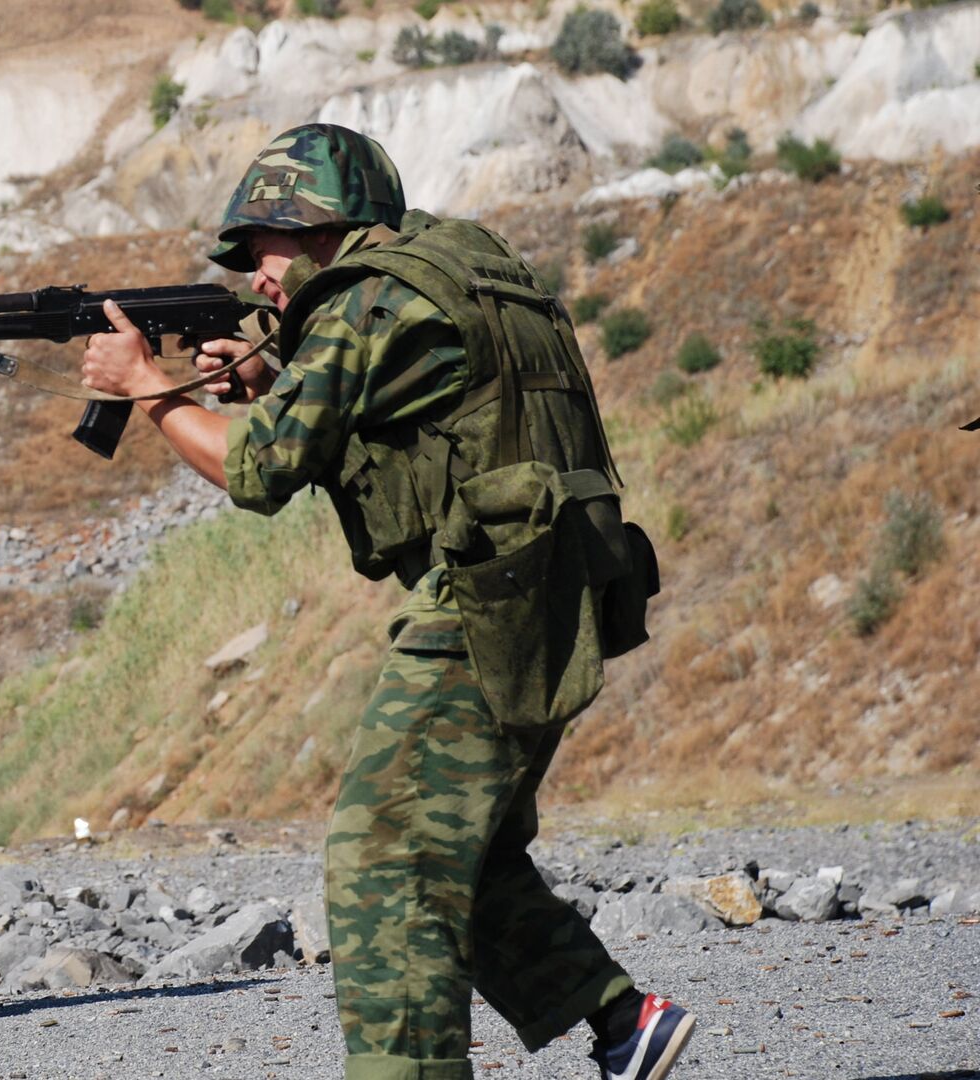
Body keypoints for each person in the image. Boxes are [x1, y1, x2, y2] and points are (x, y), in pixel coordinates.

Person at [79, 124, 690, 1080]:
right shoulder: (454, 269)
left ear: (320, 224)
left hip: (481, 605)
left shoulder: (365, 301)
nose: (255, 278)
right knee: (458, 849)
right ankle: (620, 1021)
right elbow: (416, 419)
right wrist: (273, 374)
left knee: (386, 864)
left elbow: (255, 468)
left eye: (262, 250)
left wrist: (149, 388)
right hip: (554, 588)